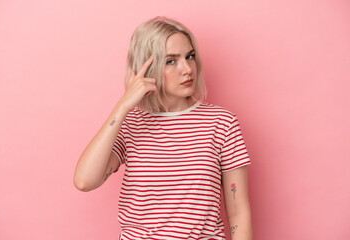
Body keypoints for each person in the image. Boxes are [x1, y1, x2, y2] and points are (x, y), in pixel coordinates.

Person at [73, 16, 252, 240]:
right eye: (171, 61)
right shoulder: (131, 124)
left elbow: (238, 213)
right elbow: (84, 181)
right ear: (147, 68)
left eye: (190, 57)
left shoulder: (221, 123)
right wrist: (123, 105)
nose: (187, 69)